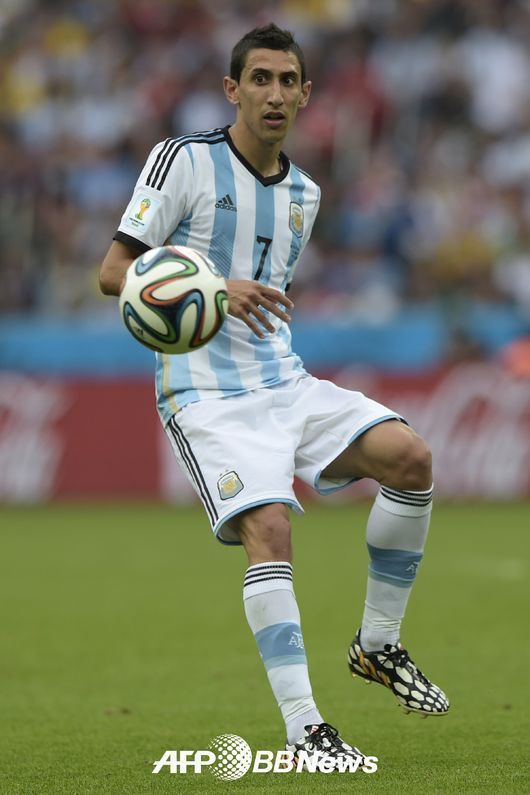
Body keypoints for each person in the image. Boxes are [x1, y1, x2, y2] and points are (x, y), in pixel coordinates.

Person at [99, 23, 449, 768]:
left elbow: (270, 302)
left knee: (410, 457)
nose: (275, 94)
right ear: (233, 89)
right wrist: (211, 289)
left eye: (289, 81)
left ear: (306, 95)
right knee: (270, 527)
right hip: (204, 392)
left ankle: (378, 644)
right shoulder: (184, 160)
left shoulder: (305, 194)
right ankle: (305, 731)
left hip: (282, 381)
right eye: (260, 79)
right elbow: (113, 272)